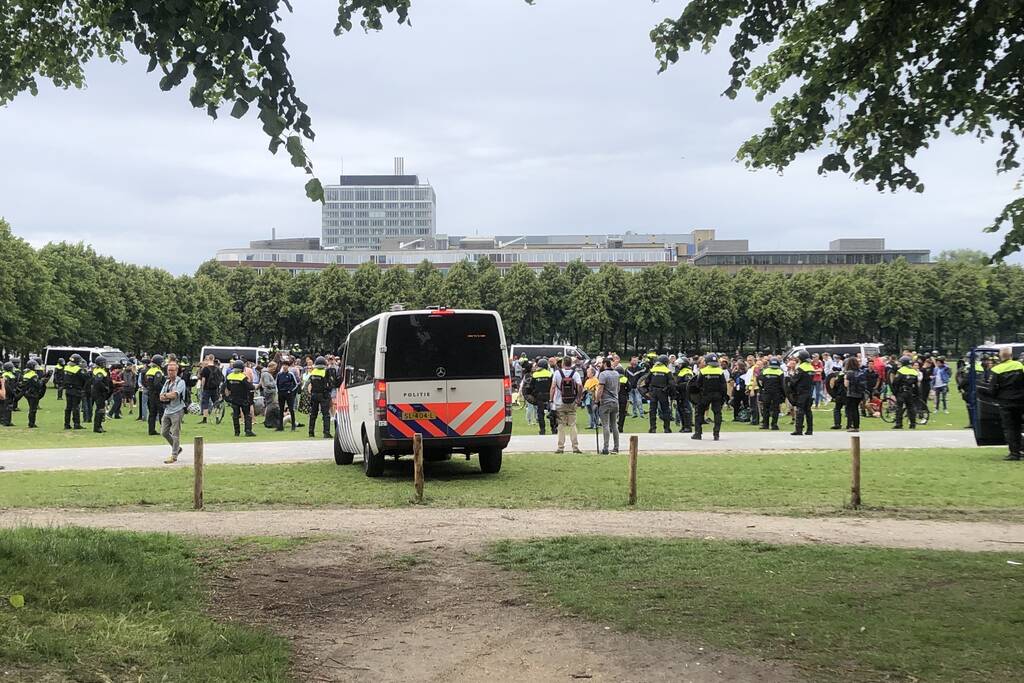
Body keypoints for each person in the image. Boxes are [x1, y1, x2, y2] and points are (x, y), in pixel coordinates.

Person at [979, 348, 1024, 461]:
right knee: (1018, 426)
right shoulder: (1019, 365)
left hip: (1005, 402)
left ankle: (1014, 453)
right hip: (1020, 401)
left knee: (1009, 428)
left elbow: (992, 390)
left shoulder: (997, 370)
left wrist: (980, 390)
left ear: (1000, 357)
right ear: (1011, 355)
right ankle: (1020, 449)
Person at [550, 356, 583, 454]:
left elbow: (553, 387)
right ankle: (575, 447)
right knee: (573, 424)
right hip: (572, 402)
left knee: (561, 425)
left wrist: (551, 400)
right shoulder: (575, 373)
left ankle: (560, 447)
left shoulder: (557, 373)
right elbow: (580, 386)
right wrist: (578, 398)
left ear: (563, 363)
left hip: (560, 402)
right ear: (571, 364)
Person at [691, 353, 726, 440]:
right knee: (717, 414)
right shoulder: (720, 371)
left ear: (707, 362)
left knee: (699, 413)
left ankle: (698, 434)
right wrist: (723, 397)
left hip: (705, 395)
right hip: (717, 395)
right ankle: (716, 434)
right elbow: (723, 386)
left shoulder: (703, 371)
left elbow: (698, 384)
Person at [160, 362, 188, 463]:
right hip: (167, 410)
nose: (170, 372)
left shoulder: (181, 382)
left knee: (175, 433)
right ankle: (177, 448)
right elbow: (160, 396)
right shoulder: (167, 382)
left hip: (177, 410)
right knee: (164, 432)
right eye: (169, 370)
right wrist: (167, 395)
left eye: (172, 370)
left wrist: (166, 395)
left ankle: (174, 455)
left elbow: (174, 395)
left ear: (176, 371)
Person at [223, 359, 256, 437]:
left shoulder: (229, 376)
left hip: (234, 399)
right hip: (244, 399)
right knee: (247, 415)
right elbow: (250, 387)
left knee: (235, 416)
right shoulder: (242, 377)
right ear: (242, 368)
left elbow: (228, 387)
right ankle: (248, 431)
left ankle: (236, 432)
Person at [642, 355, 674, 434]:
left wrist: (646, 391)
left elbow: (646, 381)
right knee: (665, 410)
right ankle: (667, 428)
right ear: (665, 362)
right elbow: (672, 384)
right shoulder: (667, 371)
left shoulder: (653, 370)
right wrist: (671, 393)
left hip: (653, 392)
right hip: (663, 392)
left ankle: (652, 428)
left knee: (652, 410)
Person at [595, 358, 620, 454]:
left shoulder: (603, 374)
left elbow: (600, 389)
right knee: (614, 425)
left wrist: (597, 401)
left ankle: (605, 448)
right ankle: (616, 447)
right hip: (615, 401)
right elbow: (618, 388)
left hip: (605, 402)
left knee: (605, 425)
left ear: (605, 364)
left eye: (601, 363)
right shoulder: (616, 374)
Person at [789, 350, 815, 436]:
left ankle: (798, 430)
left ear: (801, 358)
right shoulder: (811, 367)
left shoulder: (800, 368)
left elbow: (794, 381)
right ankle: (810, 429)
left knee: (800, 410)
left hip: (801, 392)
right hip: (809, 391)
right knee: (808, 411)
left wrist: (791, 377)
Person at [526, 358, 554, 436]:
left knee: (540, 414)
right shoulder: (550, 374)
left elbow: (531, 387)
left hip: (539, 397)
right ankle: (554, 429)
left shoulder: (535, 375)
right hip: (549, 396)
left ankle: (542, 430)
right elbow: (553, 385)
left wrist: (530, 395)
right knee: (552, 413)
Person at [306, 356, 332, 439]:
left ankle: (311, 432)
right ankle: (326, 432)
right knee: (326, 415)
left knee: (313, 414)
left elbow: (310, 383)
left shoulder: (313, 372)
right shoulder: (326, 372)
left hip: (314, 395)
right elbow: (330, 383)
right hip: (324, 395)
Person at [890, 356, 919, 430]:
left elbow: (895, 382)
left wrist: (895, 392)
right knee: (911, 408)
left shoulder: (901, 371)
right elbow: (916, 385)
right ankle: (912, 424)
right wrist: (917, 394)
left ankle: (899, 424)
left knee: (899, 408)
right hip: (910, 392)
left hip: (901, 392)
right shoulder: (914, 372)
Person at [63, 353, 88, 430]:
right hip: (76, 390)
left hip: (68, 390)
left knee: (68, 408)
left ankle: (66, 424)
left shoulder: (66, 368)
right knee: (76, 408)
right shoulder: (78, 369)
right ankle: (76, 424)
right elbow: (86, 378)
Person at [758, 358, 784, 430]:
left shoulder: (765, 371)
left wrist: (762, 388)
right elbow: (782, 384)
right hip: (776, 393)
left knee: (766, 408)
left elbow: (759, 381)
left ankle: (765, 425)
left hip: (766, 392)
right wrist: (783, 394)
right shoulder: (780, 372)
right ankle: (774, 425)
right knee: (775, 409)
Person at [144, 355, 166, 436]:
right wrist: (164, 390)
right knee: (161, 413)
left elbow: (145, 382)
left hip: (150, 394)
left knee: (152, 413)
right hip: (157, 395)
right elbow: (157, 384)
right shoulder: (158, 372)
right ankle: (164, 429)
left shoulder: (149, 371)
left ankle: (151, 430)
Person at [20, 359, 46, 428]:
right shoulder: (33, 375)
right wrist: (42, 381)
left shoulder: (25, 374)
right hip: (33, 394)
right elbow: (38, 385)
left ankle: (31, 422)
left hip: (27, 393)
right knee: (33, 409)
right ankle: (31, 423)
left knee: (31, 408)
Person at [276, 358, 299, 431]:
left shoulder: (290, 374)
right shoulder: (279, 375)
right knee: (281, 410)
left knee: (291, 409)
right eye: (283, 365)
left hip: (288, 394)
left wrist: (290, 391)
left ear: (288, 366)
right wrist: (278, 391)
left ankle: (293, 426)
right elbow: (276, 383)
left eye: (286, 365)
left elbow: (296, 384)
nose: (285, 366)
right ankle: (280, 426)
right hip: (281, 394)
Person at [90, 356, 112, 433]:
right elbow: (98, 382)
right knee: (100, 409)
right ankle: (97, 427)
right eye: (103, 363)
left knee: (100, 409)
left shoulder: (99, 370)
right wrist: (105, 388)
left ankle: (99, 426)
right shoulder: (99, 372)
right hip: (99, 393)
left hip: (98, 392)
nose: (105, 364)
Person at [843, 356, 865, 432]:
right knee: (856, 409)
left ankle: (852, 425)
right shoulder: (860, 372)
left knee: (851, 410)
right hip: (859, 393)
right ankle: (856, 425)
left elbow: (846, 384)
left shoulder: (849, 373)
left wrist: (845, 378)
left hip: (851, 393)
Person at [199, 355, 222, 424]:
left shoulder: (205, 369)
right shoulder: (217, 369)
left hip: (207, 388)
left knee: (205, 402)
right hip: (215, 388)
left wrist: (202, 387)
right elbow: (220, 379)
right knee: (216, 403)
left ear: (208, 359)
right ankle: (217, 417)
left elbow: (203, 379)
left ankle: (205, 418)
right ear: (214, 359)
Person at [826, 360, 847, 429]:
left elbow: (831, 386)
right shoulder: (850, 373)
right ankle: (850, 424)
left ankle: (837, 424)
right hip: (848, 394)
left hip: (840, 395)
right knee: (850, 409)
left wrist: (833, 394)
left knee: (837, 409)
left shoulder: (839, 375)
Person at [674, 360, 694, 433]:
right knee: (680, 410)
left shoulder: (687, 371)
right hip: (680, 394)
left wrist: (677, 386)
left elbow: (688, 383)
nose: (678, 365)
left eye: (680, 364)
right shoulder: (681, 371)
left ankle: (688, 427)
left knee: (686, 409)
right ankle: (683, 426)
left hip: (685, 394)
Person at [0, 362, 16, 426]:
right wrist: (12, 392)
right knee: (6, 407)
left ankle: (8, 421)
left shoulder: (10, 374)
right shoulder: (6, 375)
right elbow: (6, 386)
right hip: (7, 393)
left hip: (9, 393)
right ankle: (5, 421)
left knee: (9, 407)